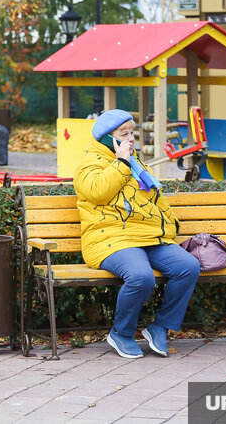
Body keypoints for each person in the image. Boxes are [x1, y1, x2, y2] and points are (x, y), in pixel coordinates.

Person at [73, 109, 200, 359]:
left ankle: (160, 328)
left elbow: (155, 196)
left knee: (188, 266)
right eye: (124, 134)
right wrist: (121, 162)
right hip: (109, 238)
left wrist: (170, 226)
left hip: (148, 236)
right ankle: (122, 333)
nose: (131, 139)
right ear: (107, 138)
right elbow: (98, 192)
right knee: (141, 276)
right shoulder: (90, 163)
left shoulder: (135, 161)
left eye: (132, 133)